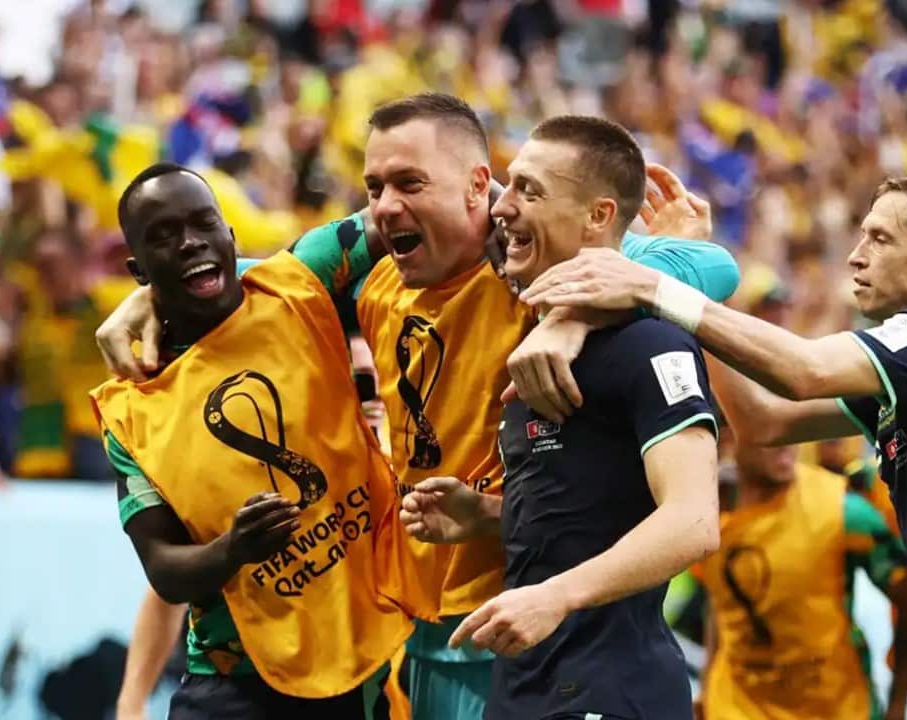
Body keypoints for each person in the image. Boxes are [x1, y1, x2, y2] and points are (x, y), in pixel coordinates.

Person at [96, 92, 740, 720]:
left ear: (478, 187)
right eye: (374, 188)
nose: (384, 207)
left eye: (410, 183)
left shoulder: (536, 271)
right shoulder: (372, 285)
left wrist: (568, 315)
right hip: (415, 627)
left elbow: (709, 268)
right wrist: (155, 296)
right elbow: (248, 289)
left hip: (527, 618)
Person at [522, 172, 907, 719]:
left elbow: (803, 369)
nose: (857, 255)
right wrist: (690, 282)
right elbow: (766, 421)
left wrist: (655, 285)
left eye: (881, 239)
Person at [398, 114, 720, 720]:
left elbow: (694, 521)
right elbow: (591, 512)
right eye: (510, 185)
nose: (502, 207)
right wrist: (486, 515)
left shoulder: (652, 343)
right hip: (525, 689)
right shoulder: (538, 351)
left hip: (611, 691)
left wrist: (555, 597)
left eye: (530, 191)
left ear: (598, 216)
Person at [91, 163, 411, 719]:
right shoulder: (132, 409)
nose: (190, 242)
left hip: (368, 658)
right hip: (234, 682)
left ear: (230, 234)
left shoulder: (301, 279)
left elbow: (410, 207)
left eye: (203, 223)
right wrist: (232, 550)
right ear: (137, 269)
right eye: (163, 236)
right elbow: (162, 569)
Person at [693, 438, 907, 720]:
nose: (784, 441)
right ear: (729, 437)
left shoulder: (842, 510)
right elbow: (719, 602)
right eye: (766, 429)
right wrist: (706, 689)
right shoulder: (707, 513)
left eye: (791, 427)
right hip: (735, 707)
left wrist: (898, 704)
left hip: (834, 707)